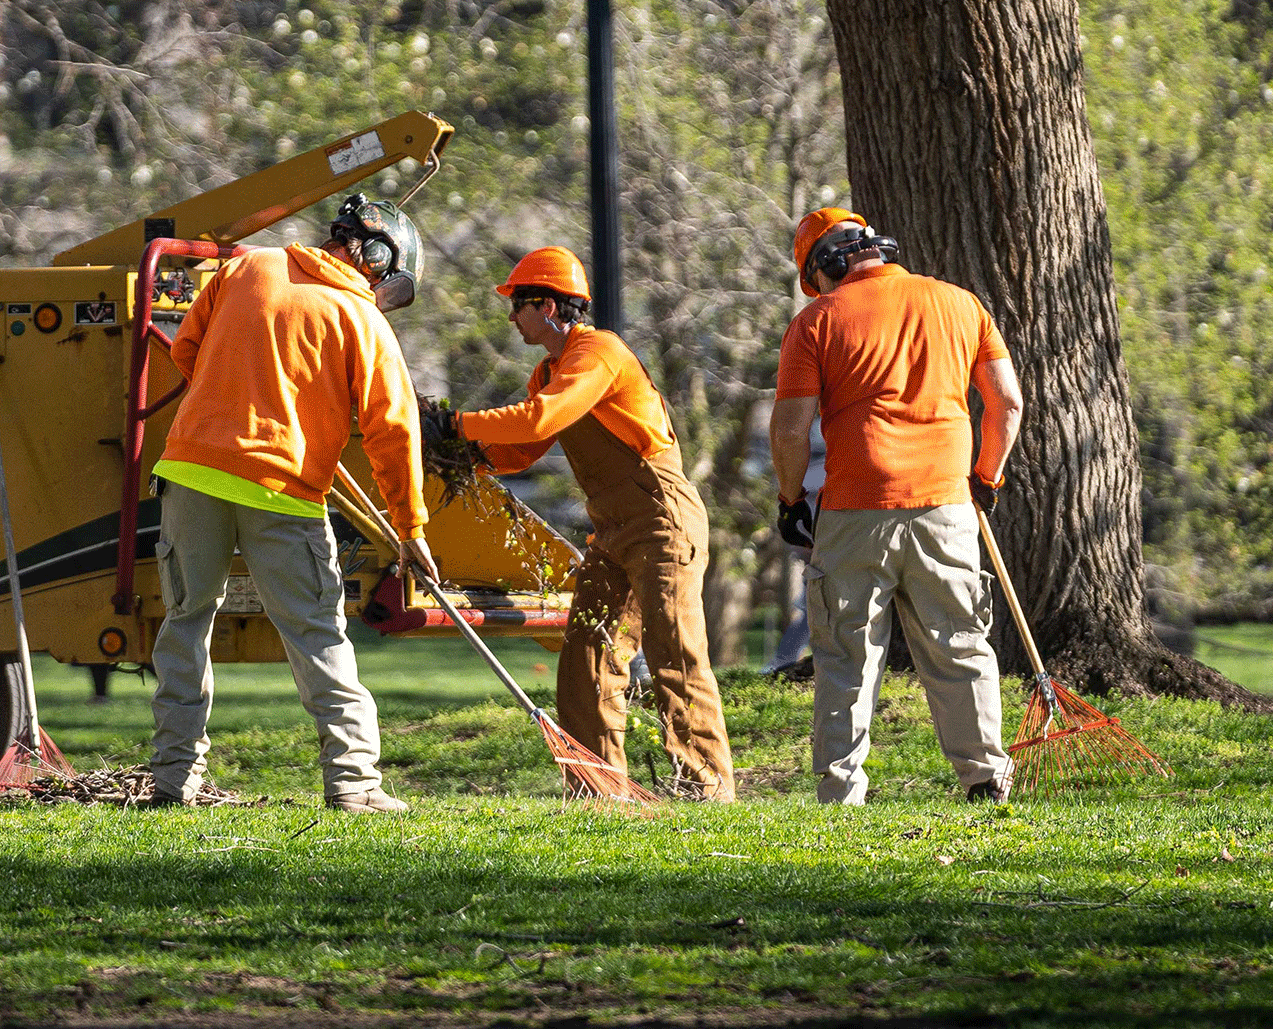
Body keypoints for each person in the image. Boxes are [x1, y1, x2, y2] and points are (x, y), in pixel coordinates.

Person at [146, 195, 436, 814]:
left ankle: (173, 780)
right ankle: (354, 785)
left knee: (186, 623)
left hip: (191, 473)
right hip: (283, 493)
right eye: (389, 277)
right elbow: (394, 429)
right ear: (376, 257)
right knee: (315, 634)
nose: (384, 290)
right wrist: (410, 526)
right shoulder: (362, 320)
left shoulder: (244, 269)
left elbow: (185, 352)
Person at [428, 246, 738, 802]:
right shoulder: (549, 369)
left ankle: (706, 789)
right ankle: (599, 793)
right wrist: (459, 456)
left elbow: (541, 418)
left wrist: (453, 423)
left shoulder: (598, 352)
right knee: (585, 662)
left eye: (517, 305)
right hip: (613, 531)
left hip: (661, 519)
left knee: (675, 652)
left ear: (546, 305)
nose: (511, 318)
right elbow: (521, 451)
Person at [769, 207, 1025, 805]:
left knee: (846, 655)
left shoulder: (815, 324)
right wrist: (985, 477)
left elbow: (789, 430)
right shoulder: (961, 304)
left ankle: (841, 793)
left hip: (856, 509)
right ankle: (986, 778)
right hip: (948, 505)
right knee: (960, 643)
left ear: (824, 268)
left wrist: (790, 500)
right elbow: (1007, 403)